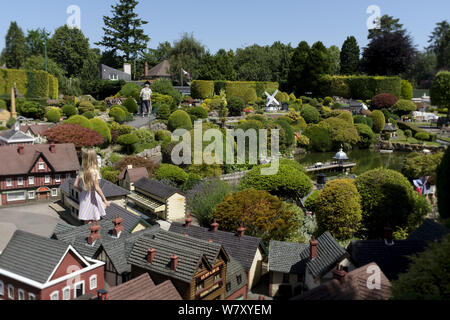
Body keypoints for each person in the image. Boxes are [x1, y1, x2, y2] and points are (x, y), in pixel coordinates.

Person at [74, 149, 110, 224]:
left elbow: (75, 185)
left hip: (84, 196)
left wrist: (83, 191)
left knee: (88, 219)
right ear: (94, 158)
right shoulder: (94, 172)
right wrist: (105, 200)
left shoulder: (82, 170)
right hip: (93, 197)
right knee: (95, 218)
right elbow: (97, 188)